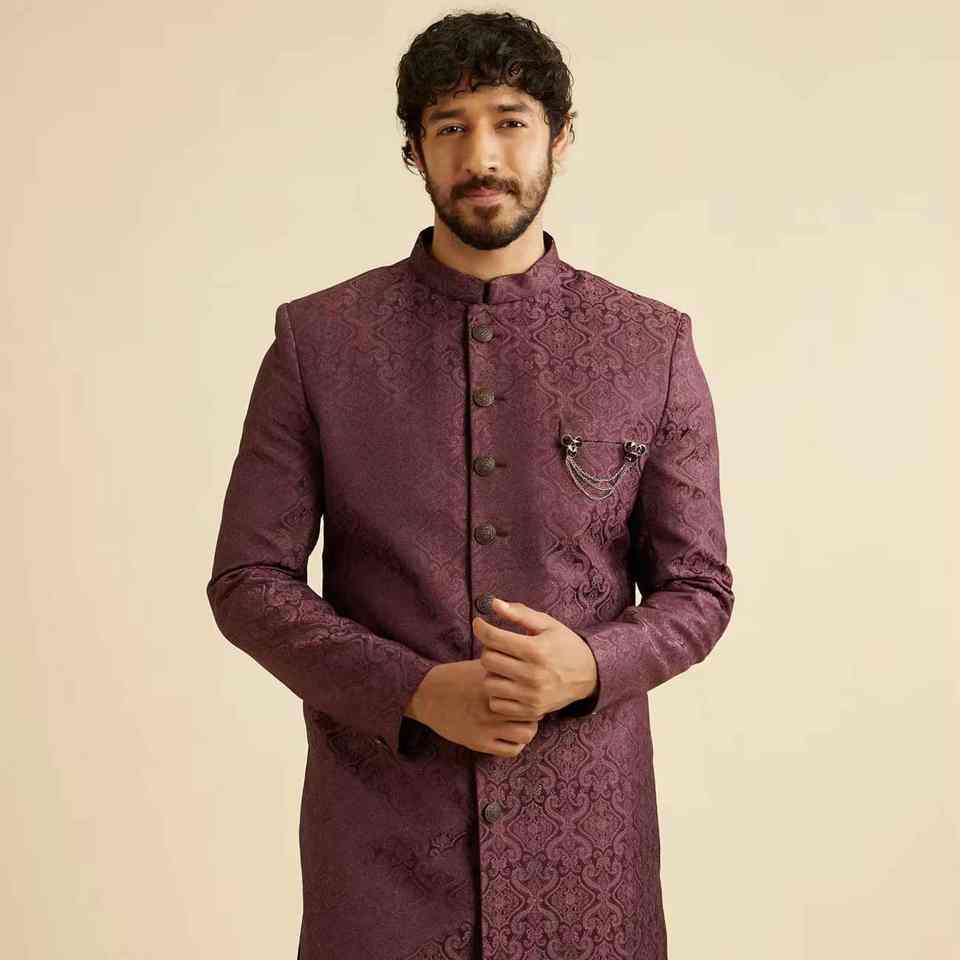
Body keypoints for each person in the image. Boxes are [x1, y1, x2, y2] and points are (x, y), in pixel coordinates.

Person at [206, 11, 735, 960]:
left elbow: (700, 589)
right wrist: (414, 691)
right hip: (382, 846)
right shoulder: (318, 342)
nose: (482, 155)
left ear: (560, 137)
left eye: (511, 121)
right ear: (415, 149)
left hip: (588, 851)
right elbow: (249, 581)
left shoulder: (650, 344)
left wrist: (591, 666)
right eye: (450, 126)